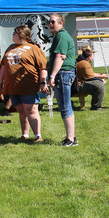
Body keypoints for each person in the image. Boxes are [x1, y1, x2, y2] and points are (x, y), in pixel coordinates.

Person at [0, 25, 48, 142]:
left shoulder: (34, 48)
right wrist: (0, 81)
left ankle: (37, 136)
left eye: (14, 33)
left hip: (28, 85)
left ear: (21, 35)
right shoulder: (10, 47)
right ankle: (25, 135)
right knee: (21, 111)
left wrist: (43, 82)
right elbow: (3, 66)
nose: (13, 35)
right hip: (13, 86)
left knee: (31, 110)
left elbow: (42, 67)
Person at [46, 14, 78, 147]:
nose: (50, 24)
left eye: (53, 22)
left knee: (65, 107)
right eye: (49, 22)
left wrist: (52, 76)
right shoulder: (59, 36)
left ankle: (70, 139)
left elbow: (60, 56)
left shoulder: (62, 36)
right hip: (63, 74)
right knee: (65, 106)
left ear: (61, 23)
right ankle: (71, 137)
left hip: (63, 74)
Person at [75, 46, 107, 110]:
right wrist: (101, 81)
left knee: (98, 84)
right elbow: (90, 78)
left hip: (78, 84)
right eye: (92, 56)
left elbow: (90, 75)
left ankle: (96, 104)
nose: (93, 58)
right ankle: (96, 106)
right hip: (79, 85)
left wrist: (100, 76)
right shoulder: (84, 63)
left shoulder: (82, 62)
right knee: (99, 85)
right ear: (89, 57)